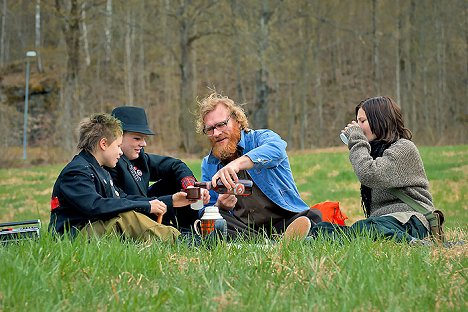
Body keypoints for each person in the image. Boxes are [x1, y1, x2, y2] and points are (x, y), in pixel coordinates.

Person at [195, 92, 322, 240]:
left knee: (313, 219)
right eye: (209, 129)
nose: (216, 133)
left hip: (287, 218)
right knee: (212, 222)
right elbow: (205, 209)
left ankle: (281, 240)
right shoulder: (209, 163)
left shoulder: (262, 138)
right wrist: (220, 206)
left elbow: (277, 149)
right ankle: (274, 243)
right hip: (246, 229)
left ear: (237, 121)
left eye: (221, 125)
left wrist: (236, 165)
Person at [311, 96, 434, 243]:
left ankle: (414, 243)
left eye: (362, 121)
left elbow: (370, 174)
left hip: (411, 220)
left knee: (368, 229)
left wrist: (356, 140)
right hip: (384, 222)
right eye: (357, 122)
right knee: (329, 228)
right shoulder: (374, 153)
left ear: (380, 121)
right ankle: (311, 234)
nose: (358, 126)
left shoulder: (404, 148)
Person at [49, 113, 180, 243]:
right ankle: (179, 239)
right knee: (124, 219)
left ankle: (176, 233)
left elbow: (123, 198)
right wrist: (146, 206)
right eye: (118, 146)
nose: (121, 152)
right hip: (72, 235)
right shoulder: (76, 172)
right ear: (103, 144)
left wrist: (164, 201)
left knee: (127, 214)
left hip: (91, 229)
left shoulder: (100, 171)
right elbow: (95, 206)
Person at [107, 106, 210, 233]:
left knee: (175, 180)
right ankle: (180, 233)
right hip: (134, 215)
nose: (143, 143)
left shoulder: (140, 158)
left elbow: (175, 165)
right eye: (137, 138)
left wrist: (189, 187)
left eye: (144, 138)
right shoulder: (109, 162)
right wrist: (170, 201)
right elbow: (123, 201)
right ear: (117, 136)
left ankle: (193, 228)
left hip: (149, 208)